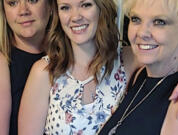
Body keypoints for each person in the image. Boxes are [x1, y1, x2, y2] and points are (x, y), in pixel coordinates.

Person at [18, 0, 135, 134]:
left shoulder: (129, 60)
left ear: (102, 8)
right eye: (65, 8)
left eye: (85, 5)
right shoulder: (44, 71)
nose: (75, 17)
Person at [98, 0, 178, 134]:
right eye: (136, 19)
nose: (142, 33)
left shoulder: (177, 100)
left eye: (159, 22)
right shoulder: (140, 75)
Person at [0, 0, 57, 134]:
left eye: (32, 0)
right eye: (13, 3)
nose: (23, 11)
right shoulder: (2, 63)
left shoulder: (71, 59)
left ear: (51, 6)